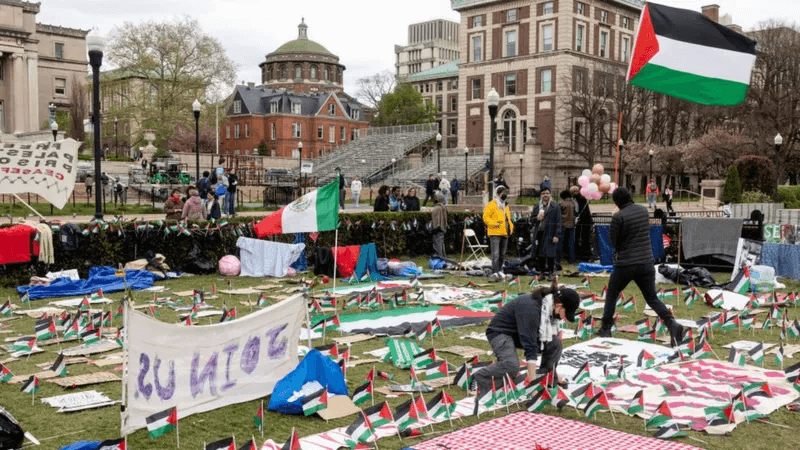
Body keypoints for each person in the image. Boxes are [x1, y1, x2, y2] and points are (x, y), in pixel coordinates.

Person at [595, 187, 685, 345]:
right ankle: (672, 324)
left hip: (626, 263)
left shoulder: (618, 217)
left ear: (617, 201)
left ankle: (606, 328)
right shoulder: (643, 211)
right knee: (651, 298)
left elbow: (613, 242)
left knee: (612, 295)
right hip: (646, 262)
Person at [472, 280, 579, 398]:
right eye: (566, 313)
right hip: (500, 332)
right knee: (511, 366)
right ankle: (478, 378)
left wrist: (553, 371)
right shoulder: (532, 309)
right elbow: (530, 348)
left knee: (555, 343)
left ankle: (546, 378)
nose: (564, 317)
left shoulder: (547, 306)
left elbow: (550, 336)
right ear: (559, 306)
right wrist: (532, 387)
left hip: (518, 331)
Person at [483, 185, 514, 282]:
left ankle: (500, 270)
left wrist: (511, 228)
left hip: (505, 233)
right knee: (495, 254)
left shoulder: (506, 205)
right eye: (501, 192)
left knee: (502, 254)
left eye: (505, 192)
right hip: (495, 232)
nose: (504, 194)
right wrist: (493, 224)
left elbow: (508, 218)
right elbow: (485, 217)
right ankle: (495, 271)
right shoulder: (492, 204)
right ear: (497, 193)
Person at [530, 187, 562, 278]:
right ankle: (542, 272)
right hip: (539, 233)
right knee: (540, 254)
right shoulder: (537, 207)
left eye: (547, 193)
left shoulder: (555, 207)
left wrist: (556, 235)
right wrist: (537, 218)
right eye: (543, 193)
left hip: (550, 233)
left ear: (550, 195)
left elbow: (559, 222)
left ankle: (551, 272)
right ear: (541, 195)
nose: (545, 195)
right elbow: (531, 221)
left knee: (550, 254)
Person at [571, 185, 593, 261]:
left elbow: (578, 211)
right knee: (585, 238)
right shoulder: (582, 199)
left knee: (583, 238)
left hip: (583, 222)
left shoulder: (578, 200)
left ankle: (583, 255)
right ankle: (585, 255)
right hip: (586, 221)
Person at [558, 190, 576, 267]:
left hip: (563, 225)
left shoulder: (561, 204)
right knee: (571, 243)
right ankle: (571, 261)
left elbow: (558, 214)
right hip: (571, 225)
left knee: (560, 243)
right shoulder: (573, 203)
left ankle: (557, 260)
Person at [431, 191, 448, 259]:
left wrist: (435, 227)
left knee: (438, 244)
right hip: (442, 228)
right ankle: (443, 257)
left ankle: (440, 258)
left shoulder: (438, 208)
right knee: (441, 244)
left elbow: (437, 219)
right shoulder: (443, 207)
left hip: (438, 228)